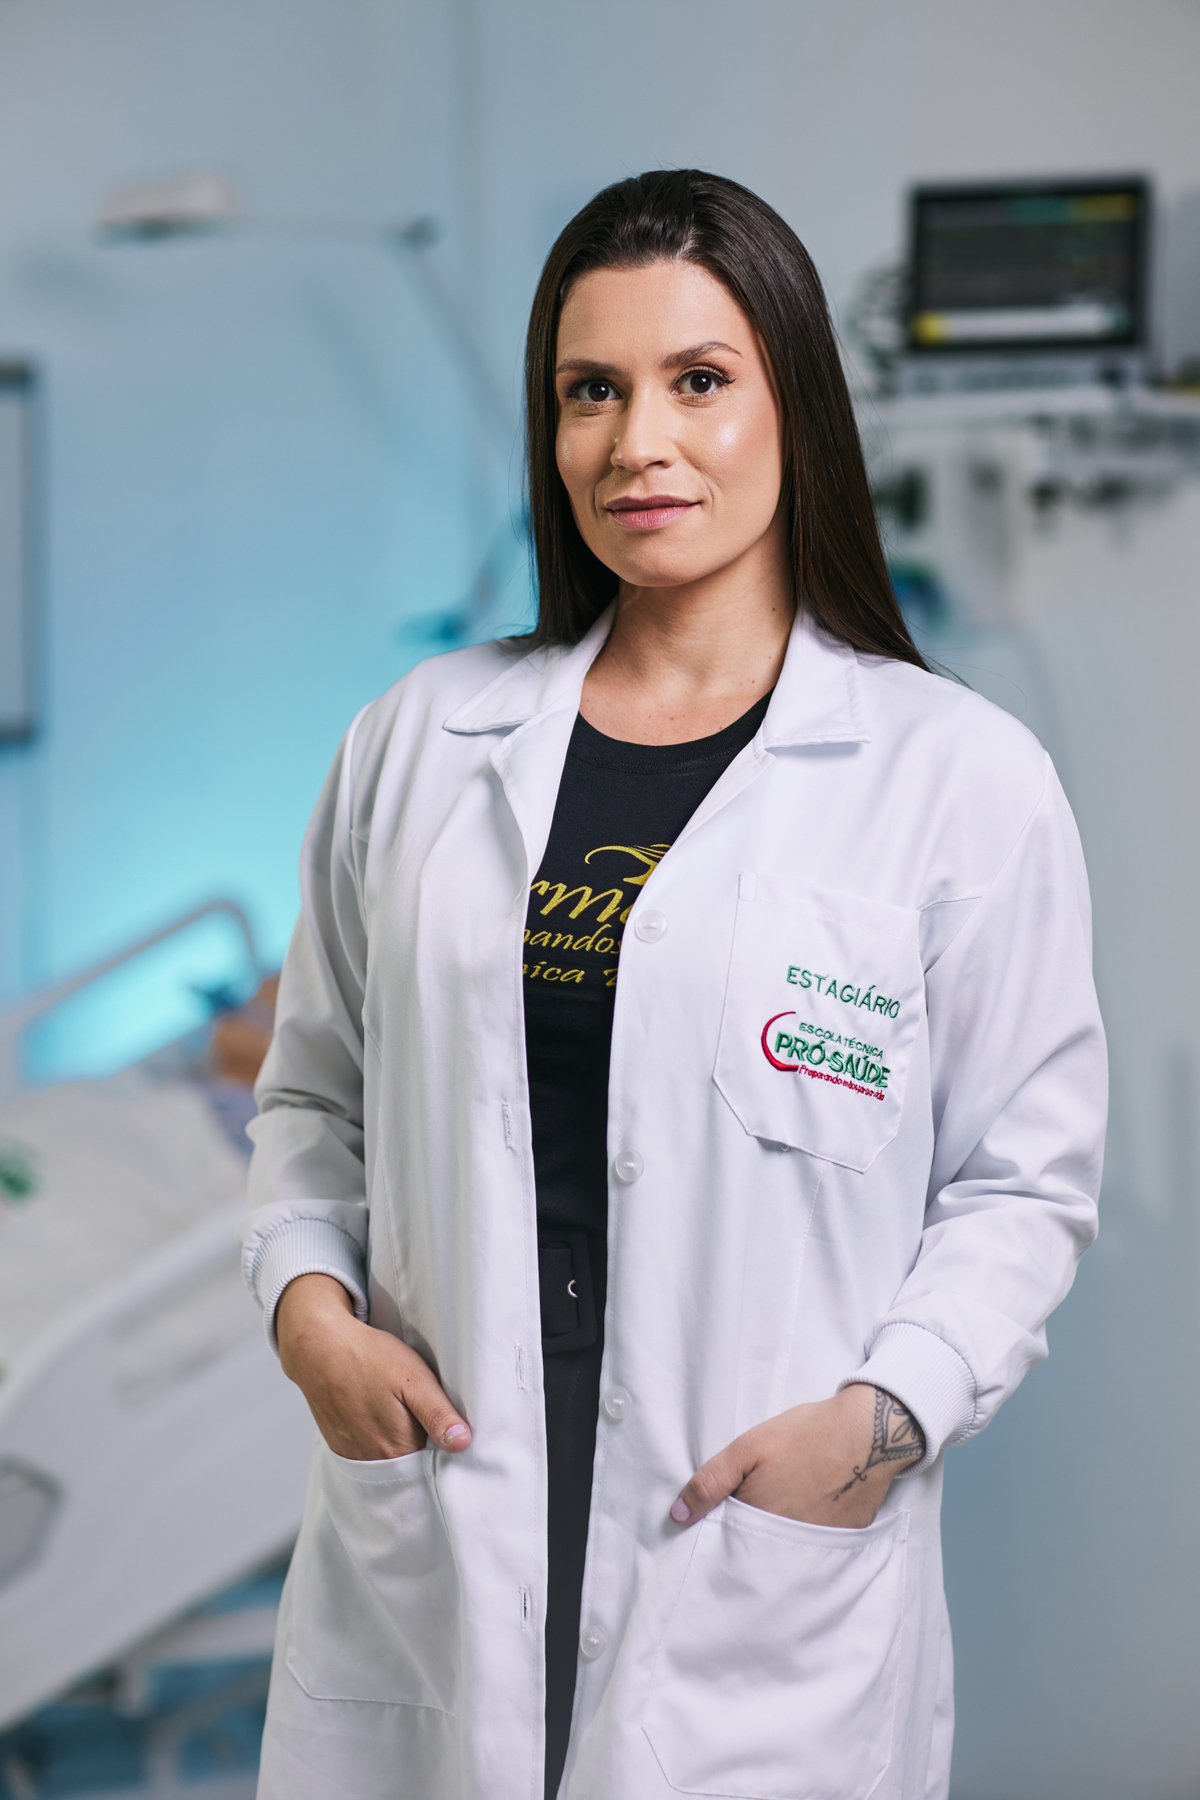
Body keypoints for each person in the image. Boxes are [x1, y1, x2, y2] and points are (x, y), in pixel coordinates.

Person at [238, 170, 1106, 1800]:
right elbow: (310, 1095)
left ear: (795, 408)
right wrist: (308, 1318)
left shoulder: (955, 778)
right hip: (440, 1516)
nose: (639, 440)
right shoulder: (420, 743)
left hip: (750, 1549)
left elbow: (1022, 1184)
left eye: (699, 380)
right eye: (592, 390)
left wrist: (883, 1420)